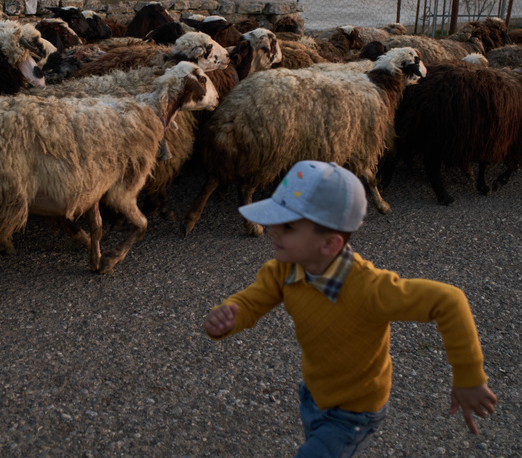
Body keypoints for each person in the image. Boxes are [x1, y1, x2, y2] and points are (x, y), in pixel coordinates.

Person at [203, 161, 497, 457]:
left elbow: (449, 300)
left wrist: (469, 376)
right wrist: (229, 315)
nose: (271, 229)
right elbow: (251, 302)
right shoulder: (283, 271)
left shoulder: (369, 288)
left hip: (355, 412)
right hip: (314, 397)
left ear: (329, 244)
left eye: (288, 225)